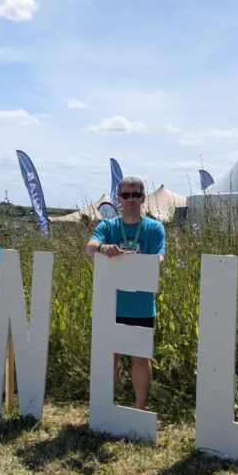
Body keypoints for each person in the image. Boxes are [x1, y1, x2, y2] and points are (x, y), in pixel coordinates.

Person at [85, 176, 166, 411]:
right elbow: (90, 247)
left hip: (141, 305)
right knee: (111, 357)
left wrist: (131, 260)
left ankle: (139, 409)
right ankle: (108, 407)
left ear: (143, 198)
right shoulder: (108, 227)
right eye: (125, 195)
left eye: (135, 195)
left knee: (141, 358)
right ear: (118, 199)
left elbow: (158, 258)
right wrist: (103, 247)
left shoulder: (154, 228)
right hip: (111, 305)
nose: (131, 200)